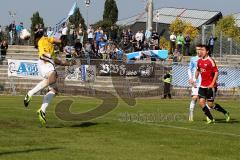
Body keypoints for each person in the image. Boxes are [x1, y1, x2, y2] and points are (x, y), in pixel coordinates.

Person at [23, 32, 75, 127]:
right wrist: (62, 41)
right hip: (45, 59)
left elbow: (56, 60)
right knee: (53, 77)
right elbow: (56, 40)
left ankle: (42, 110)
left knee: (54, 90)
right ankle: (30, 93)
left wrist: (68, 63)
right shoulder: (44, 39)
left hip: (47, 60)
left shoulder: (51, 48)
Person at [195, 45, 230, 124]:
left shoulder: (210, 60)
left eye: (203, 50)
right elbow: (198, 70)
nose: (201, 51)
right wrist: (194, 79)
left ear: (207, 51)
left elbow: (216, 72)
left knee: (210, 105)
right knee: (201, 103)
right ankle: (211, 119)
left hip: (211, 86)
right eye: (200, 50)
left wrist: (212, 83)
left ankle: (225, 113)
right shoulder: (199, 61)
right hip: (202, 86)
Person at [187, 44, 202, 121]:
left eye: (200, 49)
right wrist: (191, 79)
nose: (198, 51)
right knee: (195, 98)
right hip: (196, 81)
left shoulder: (205, 59)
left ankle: (208, 116)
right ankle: (191, 114)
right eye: (197, 49)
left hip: (204, 82)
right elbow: (189, 69)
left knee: (203, 100)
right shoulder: (193, 59)